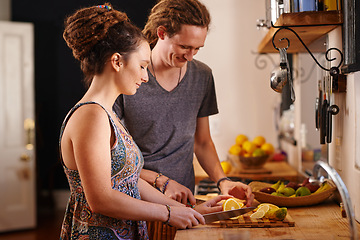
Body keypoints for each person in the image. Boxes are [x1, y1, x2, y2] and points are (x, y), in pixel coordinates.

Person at [60, 4, 229, 239]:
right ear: (117, 62)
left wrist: (187, 210)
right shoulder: (91, 116)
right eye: (141, 66)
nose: (145, 76)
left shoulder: (105, 114)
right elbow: (100, 199)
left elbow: (128, 181)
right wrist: (168, 214)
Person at [113, 0, 254, 207]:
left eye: (197, 48)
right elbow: (113, 156)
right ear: (161, 33)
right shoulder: (129, 75)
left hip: (183, 198)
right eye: (184, 46)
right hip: (136, 199)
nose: (189, 56)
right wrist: (162, 182)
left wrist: (223, 181)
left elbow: (203, 142)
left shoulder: (202, 76)